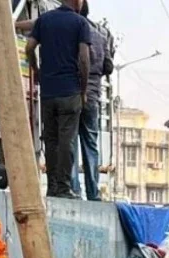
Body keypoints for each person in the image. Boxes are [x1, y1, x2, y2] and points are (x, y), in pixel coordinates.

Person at [26, 0, 91, 198]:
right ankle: (63, 187)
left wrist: (36, 70)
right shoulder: (80, 23)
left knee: (51, 140)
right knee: (67, 141)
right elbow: (84, 58)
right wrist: (84, 89)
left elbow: (29, 47)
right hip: (70, 90)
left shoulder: (44, 20)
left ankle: (52, 187)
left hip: (48, 91)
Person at [74, 2, 113, 200]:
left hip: (73, 92)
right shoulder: (102, 33)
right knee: (90, 143)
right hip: (94, 94)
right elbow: (108, 66)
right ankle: (93, 191)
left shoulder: (73, 28)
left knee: (70, 141)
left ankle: (74, 189)